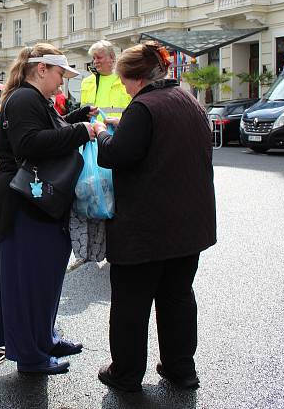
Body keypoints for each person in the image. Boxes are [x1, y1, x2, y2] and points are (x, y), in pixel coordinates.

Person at [90, 42, 217, 393]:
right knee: (177, 296)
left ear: (137, 77)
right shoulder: (187, 100)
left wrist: (102, 132)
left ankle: (126, 372)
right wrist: (124, 123)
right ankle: (181, 369)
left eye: (125, 82)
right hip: (190, 224)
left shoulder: (143, 107)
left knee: (131, 302)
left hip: (147, 227)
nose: (126, 88)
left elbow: (118, 154)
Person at [0, 44, 96, 375]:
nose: (62, 83)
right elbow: (29, 144)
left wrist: (76, 119)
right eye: (60, 75)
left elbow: (47, 130)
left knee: (45, 277)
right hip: (25, 202)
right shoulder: (24, 99)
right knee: (29, 282)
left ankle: (45, 338)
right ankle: (31, 355)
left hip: (38, 201)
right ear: (41, 70)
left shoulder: (32, 99)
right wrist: (81, 131)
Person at [69, 40, 133, 269]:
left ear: (111, 57)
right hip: (92, 140)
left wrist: (119, 123)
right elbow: (83, 110)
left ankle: (115, 245)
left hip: (117, 137)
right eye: (93, 58)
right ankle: (91, 249)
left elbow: (133, 109)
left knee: (115, 191)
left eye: (98, 57)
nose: (95, 62)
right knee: (93, 190)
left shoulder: (122, 78)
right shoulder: (87, 82)